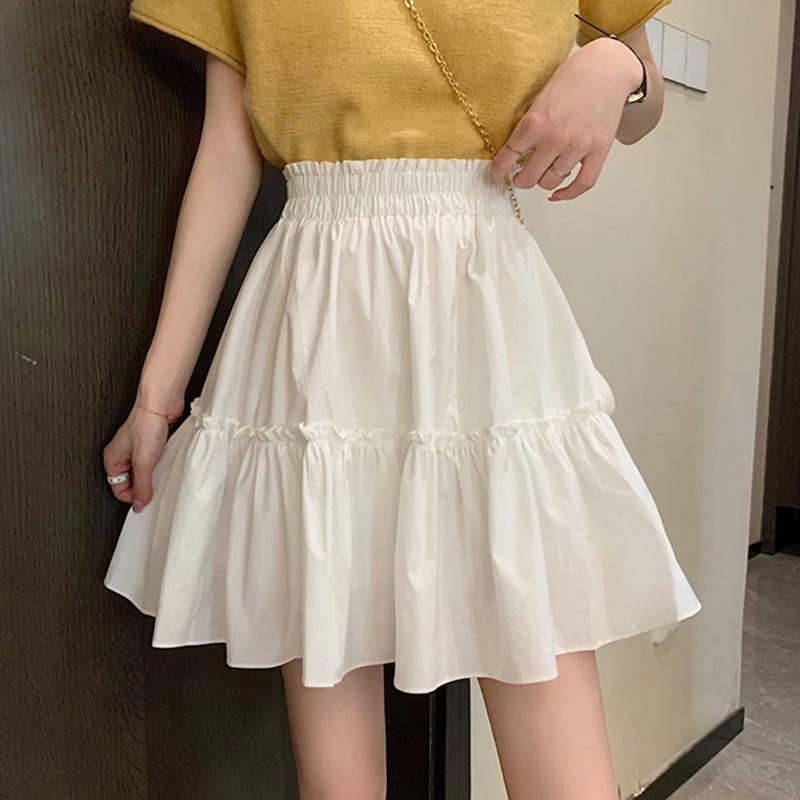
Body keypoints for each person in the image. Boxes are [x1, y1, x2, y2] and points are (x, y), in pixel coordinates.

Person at [102, 2, 702, 798]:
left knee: (563, 760)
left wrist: (617, 68)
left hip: (482, 317)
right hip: (313, 321)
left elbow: (644, 100)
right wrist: (157, 397)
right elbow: (227, 149)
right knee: (337, 778)